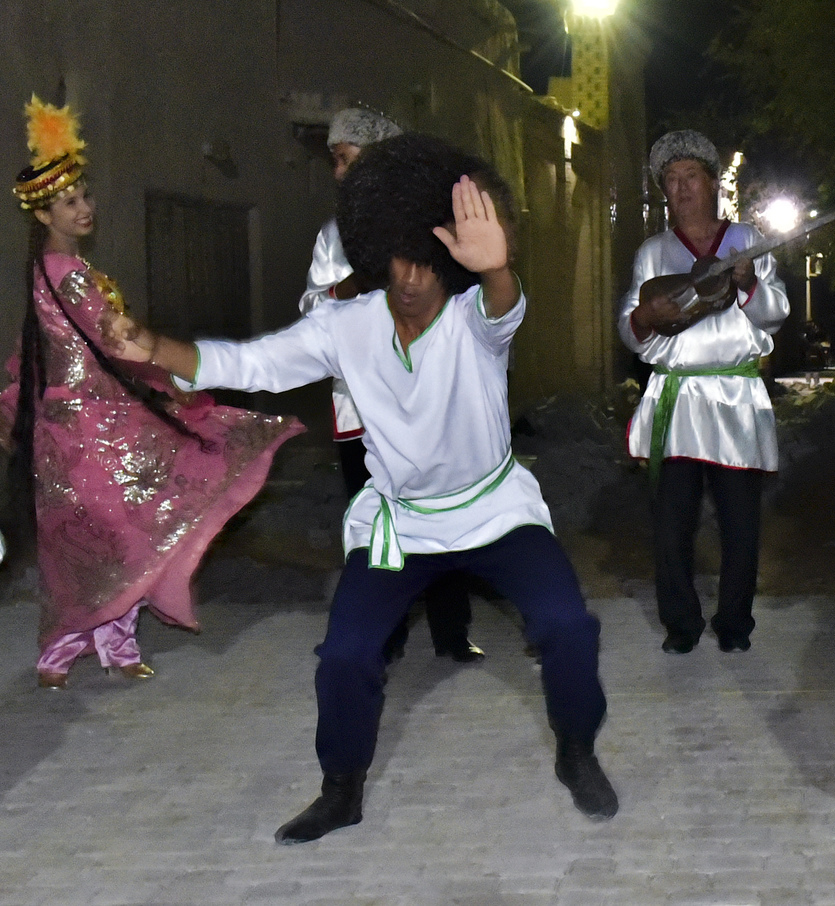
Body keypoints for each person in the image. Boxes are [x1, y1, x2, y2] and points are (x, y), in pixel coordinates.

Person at [102, 133, 617, 840]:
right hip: (399, 525)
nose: (411, 276)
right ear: (377, 253)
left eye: (426, 261)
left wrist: (500, 269)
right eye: (397, 259)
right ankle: (340, 788)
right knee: (344, 655)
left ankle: (577, 750)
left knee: (566, 626)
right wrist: (153, 348)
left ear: (446, 262)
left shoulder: (475, 323)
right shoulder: (344, 327)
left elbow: (505, 306)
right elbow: (252, 363)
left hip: (495, 514)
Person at [2, 96, 303, 689]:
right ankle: (93, 642)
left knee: (85, 532)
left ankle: (80, 646)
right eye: (70, 202)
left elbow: (30, 351)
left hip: (66, 427)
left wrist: (16, 403)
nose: (85, 208)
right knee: (130, 525)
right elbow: (111, 344)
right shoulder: (70, 275)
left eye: (85, 195)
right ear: (44, 216)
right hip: (94, 427)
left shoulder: (42, 272)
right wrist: (169, 384)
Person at [304, 107, 481, 665]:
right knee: (371, 513)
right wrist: (358, 282)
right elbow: (314, 307)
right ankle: (380, 634)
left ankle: (452, 633)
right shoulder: (334, 237)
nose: (338, 172)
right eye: (335, 161)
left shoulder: (430, 223)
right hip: (361, 401)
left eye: (347, 159)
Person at [618, 130, 789, 655]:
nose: (680, 188)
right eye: (670, 181)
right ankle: (681, 623)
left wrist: (748, 285)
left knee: (740, 524)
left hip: (735, 398)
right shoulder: (653, 252)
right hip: (678, 399)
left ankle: (735, 623)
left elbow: (777, 312)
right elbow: (630, 324)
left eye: (690, 176)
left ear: (714, 184)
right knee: (672, 526)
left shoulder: (748, 240)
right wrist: (644, 317)